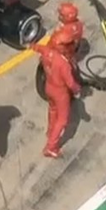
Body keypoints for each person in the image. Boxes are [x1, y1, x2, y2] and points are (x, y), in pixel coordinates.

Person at [35, 29, 82, 158]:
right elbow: (70, 83)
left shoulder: (48, 53)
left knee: (52, 110)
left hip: (49, 87)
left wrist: (30, 45)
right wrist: (77, 90)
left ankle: (50, 131)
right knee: (62, 120)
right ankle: (51, 147)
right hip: (60, 93)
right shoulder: (63, 64)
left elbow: (38, 48)